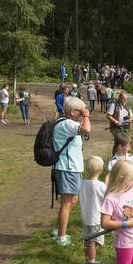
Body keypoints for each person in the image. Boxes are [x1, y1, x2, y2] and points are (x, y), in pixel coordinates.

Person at [51, 96, 91, 246]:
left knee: (72, 200)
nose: (83, 113)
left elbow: (83, 130)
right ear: (72, 112)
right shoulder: (67, 123)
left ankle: (57, 229)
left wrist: (82, 117)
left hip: (70, 167)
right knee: (67, 203)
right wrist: (86, 116)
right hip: (67, 167)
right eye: (80, 111)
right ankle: (61, 238)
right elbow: (86, 129)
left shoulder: (67, 122)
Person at [79, 156, 107, 264]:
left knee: (87, 238)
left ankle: (88, 258)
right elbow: (106, 198)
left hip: (86, 217)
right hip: (96, 219)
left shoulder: (83, 183)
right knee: (93, 242)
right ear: (101, 170)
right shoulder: (100, 186)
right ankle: (92, 263)